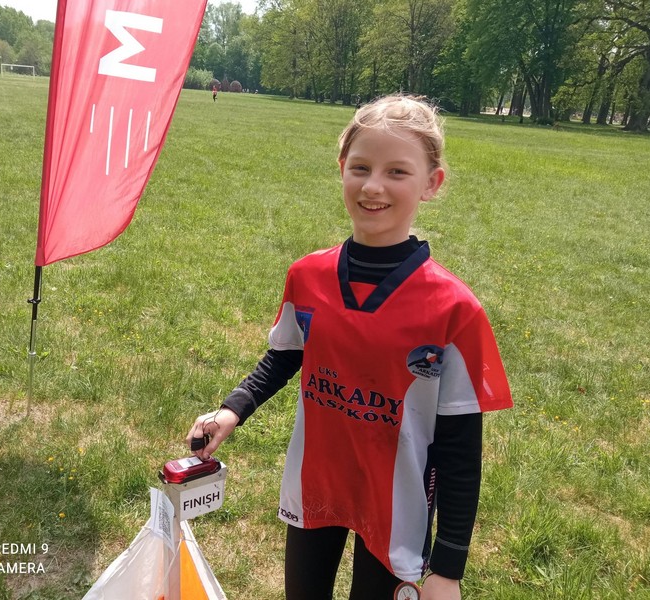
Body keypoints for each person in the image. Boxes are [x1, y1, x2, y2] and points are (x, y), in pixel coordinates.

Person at [186, 95, 513, 600]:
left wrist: (448, 568)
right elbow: (286, 355)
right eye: (360, 167)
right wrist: (233, 409)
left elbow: (461, 450)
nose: (374, 185)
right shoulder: (307, 276)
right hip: (317, 482)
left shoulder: (454, 310)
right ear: (342, 169)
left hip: (397, 506)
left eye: (398, 171)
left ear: (432, 183)